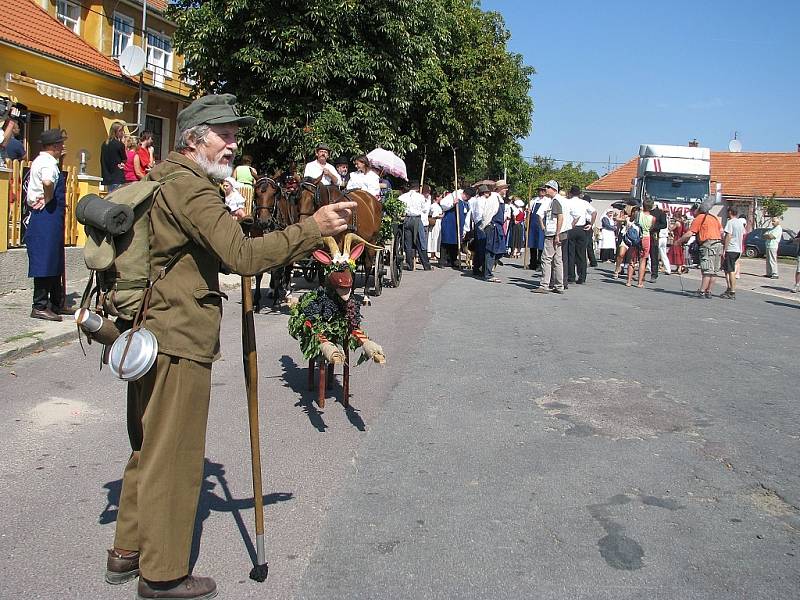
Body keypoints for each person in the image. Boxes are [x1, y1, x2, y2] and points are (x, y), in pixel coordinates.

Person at [107, 94, 357, 600]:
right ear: (195, 138)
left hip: (149, 331)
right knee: (175, 454)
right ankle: (163, 573)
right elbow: (242, 258)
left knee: (148, 446)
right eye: (225, 134)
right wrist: (313, 228)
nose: (234, 144)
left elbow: (207, 250)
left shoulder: (166, 177)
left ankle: (127, 551)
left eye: (235, 134)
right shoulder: (193, 189)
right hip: (177, 339)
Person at [25, 128, 68, 321]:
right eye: (61, 143)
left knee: (54, 260)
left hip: (51, 217)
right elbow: (48, 182)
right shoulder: (47, 163)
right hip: (45, 216)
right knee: (45, 260)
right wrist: (48, 197)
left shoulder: (45, 161)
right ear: (54, 146)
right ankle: (40, 305)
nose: (63, 146)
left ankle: (56, 303)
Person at [677, 204, 723, 298]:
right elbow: (721, 231)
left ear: (697, 210)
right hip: (718, 244)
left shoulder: (700, 218)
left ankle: (702, 291)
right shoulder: (713, 218)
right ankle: (709, 291)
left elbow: (690, 233)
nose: (692, 213)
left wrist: (679, 241)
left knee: (706, 269)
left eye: (693, 211)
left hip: (708, 244)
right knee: (714, 271)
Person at [533, 180, 564, 294]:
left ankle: (544, 285)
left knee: (546, 259)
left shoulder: (555, 201)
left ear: (554, 189)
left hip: (553, 234)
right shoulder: (560, 200)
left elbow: (560, 217)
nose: (546, 189)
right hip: (559, 233)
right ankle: (559, 285)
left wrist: (557, 234)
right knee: (557, 260)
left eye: (548, 187)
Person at [398, 181, 431, 271]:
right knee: (420, 242)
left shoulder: (402, 197)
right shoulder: (420, 197)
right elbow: (424, 209)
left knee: (408, 243)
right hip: (416, 219)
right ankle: (426, 265)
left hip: (406, 219)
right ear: (417, 188)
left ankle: (410, 265)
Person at [439, 187, 473, 268]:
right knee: (445, 242)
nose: (468, 198)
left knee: (456, 242)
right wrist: (453, 204)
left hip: (459, 225)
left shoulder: (467, 203)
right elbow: (442, 204)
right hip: (449, 223)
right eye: (468, 196)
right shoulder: (453, 196)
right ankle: (442, 261)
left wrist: (465, 229)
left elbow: (467, 217)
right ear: (465, 193)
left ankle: (453, 260)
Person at [627, 199, 654, 288]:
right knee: (643, 260)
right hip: (646, 237)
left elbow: (632, 219)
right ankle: (639, 283)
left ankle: (629, 281)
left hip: (636, 236)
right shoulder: (652, 218)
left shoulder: (638, 214)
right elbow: (651, 228)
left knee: (632, 259)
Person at [721, 206, 745, 299]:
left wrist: (725, 249)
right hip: (738, 249)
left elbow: (728, 236)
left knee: (730, 271)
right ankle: (729, 288)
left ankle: (732, 291)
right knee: (727, 270)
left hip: (731, 249)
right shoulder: (740, 222)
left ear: (730, 212)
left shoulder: (730, 222)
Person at [100, 121, 127, 192]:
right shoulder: (119, 144)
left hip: (107, 176)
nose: (122, 132)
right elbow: (124, 159)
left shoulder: (104, 144)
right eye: (120, 131)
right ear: (115, 131)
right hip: (117, 176)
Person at [648, 202, 668, 281]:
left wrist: (655, 227)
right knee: (643, 255)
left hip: (654, 235)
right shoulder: (646, 211)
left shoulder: (660, 213)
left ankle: (654, 274)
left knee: (654, 255)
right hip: (645, 234)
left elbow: (664, 224)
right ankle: (641, 272)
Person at [527, 186, 546, 269]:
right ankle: (532, 262)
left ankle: (539, 263)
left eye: (543, 190)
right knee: (532, 243)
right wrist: (528, 211)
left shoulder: (547, 201)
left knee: (540, 244)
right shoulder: (534, 200)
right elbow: (529, 209)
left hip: (541, 223)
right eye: (540, 190)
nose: (541, 192)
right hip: (533, 224)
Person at [427, 192, 443, 262]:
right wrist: (442, 216)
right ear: (437, 198)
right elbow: (434, 215)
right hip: (435, 222)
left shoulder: (437, 205)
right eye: (440, 197)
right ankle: (432, 253)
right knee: (434, 237)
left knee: (436, 237)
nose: (441, 198)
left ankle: (434, 253)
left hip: (438, 223)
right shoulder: (434, 206)